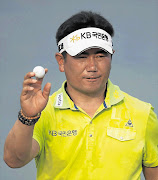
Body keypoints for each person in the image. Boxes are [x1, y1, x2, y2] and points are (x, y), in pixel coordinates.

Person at [3, 11, 158, 180]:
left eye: (100, 55)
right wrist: (28, 116)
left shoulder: (142, 113)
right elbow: (14, 160)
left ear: (111, 56)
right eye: (81, 57)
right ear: (61, 61)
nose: (92, 66)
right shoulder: (44, 111)